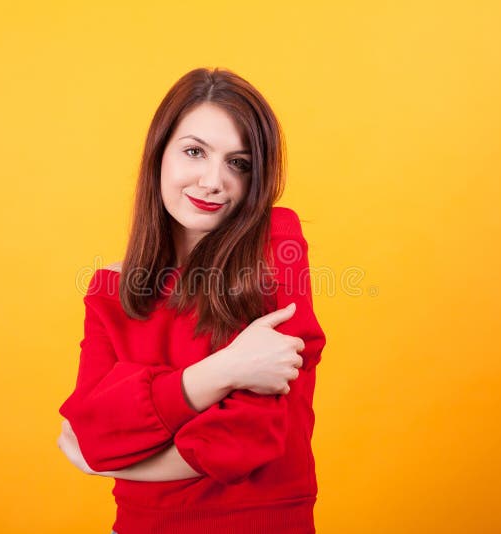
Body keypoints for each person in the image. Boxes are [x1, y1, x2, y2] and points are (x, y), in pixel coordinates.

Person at [57, 67, 327, 534]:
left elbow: (244, 439)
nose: (212, 181)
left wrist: (113, 463)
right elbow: (92, 430)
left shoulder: (275, 248)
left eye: (238, 163)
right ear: (159, 155)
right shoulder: (108, 292)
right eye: (195, 151)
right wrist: (225, 371)